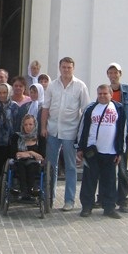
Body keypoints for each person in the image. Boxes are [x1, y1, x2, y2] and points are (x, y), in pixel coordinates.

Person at [40, 57, 90, 211]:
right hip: (53, 129)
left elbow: (86, 110)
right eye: (63, 67)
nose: (66, 70)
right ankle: (49, 198)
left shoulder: (80, 86)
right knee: (51, 166)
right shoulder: (52, 86)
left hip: (71, 131)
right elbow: (45, 108)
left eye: (69, 67)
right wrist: (43, 127)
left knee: (70, 167)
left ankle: (69, 201)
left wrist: (82, 134)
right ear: (59, 68)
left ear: (73, 68)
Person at [76, 84, 126, 219]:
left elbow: (122, 131)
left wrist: (120, 152)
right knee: (89, 180)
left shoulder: (118, 109)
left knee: (109, 181)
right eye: (100, 94)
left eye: (105, 94)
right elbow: (82, 129)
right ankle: (87, 206)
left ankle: (109, 208)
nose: (102, 96)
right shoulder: (91, 108)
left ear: (111, 94)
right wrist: (80, 148)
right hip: (92, 151)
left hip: (110, 151)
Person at [106, 62, 128, 213]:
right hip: (108, 135)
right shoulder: (105, 91)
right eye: (110, 73)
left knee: (122, 169)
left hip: (124, 135)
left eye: (116, 73)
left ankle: (123, 200)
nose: (113, 76)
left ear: (120, 74)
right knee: (107, 168)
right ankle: (106, 198)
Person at [0, 83, 19, 196]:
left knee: (9, 166)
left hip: (9, 142)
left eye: (4, 92)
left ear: (9, 93)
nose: (2, 95)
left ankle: (8, 189)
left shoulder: (15, 106)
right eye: (0, 93)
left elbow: (16, 124)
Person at [10, 114, 45, 201]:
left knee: (31, 166)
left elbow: (41, 156)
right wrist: (32, 154)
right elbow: (13, 153)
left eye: (30, 124)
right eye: (25, 125)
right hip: (19, 162)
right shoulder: (17, 137)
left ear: (35, 125)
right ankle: (24, 191)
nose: (28, 127)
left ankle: (29, 190)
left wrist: (29, 153)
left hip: (34, 164)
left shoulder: (40, 138)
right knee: (21, 165)